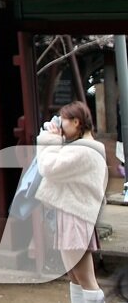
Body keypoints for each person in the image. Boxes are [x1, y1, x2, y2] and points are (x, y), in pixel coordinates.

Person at [37, 100, 107, 303]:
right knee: (75, 277)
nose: (60, 125)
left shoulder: (85, 149)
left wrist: (50, 139)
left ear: (76, 122)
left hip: (75, 216)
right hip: (74, 215)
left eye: (63, 121)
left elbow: (48, 167)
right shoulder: (86, 147)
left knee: (86, 280)